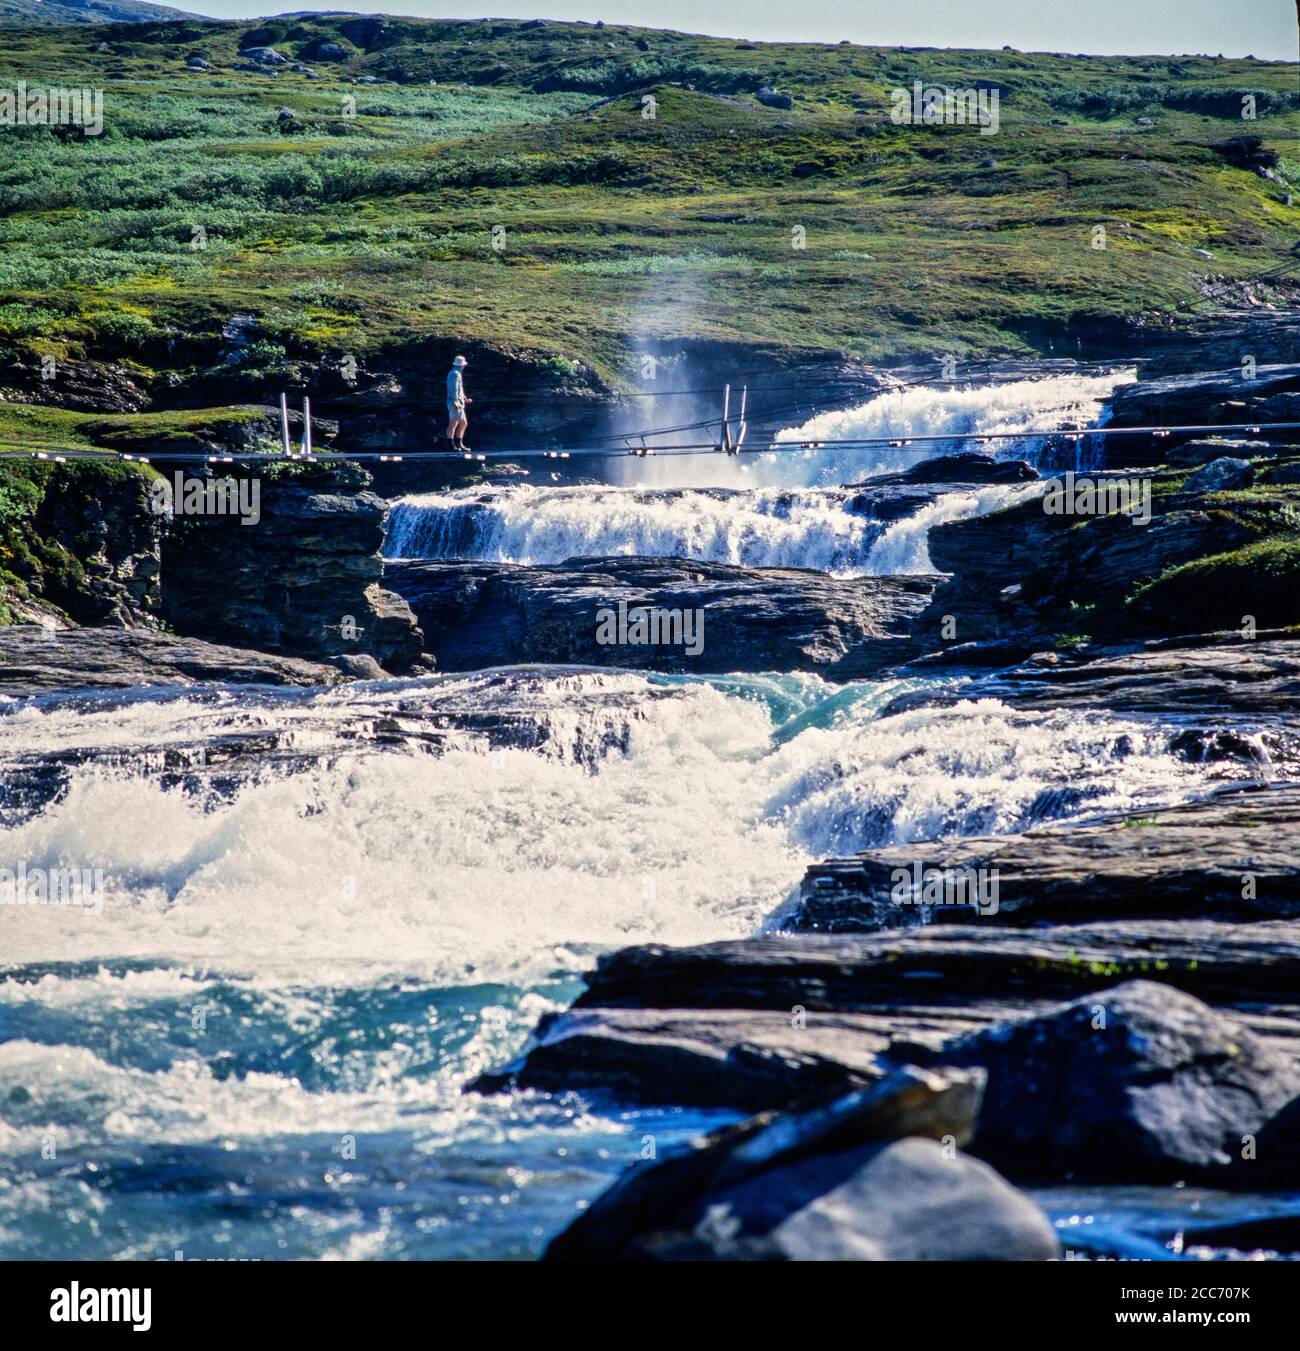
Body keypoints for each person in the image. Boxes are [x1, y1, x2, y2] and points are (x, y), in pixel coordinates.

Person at [446, 354, 471, 451]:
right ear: (462, 365)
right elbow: (453, 390)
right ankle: (450, 444)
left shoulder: (457, 373)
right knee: (453, 424)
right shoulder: (455, 374)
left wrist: (464, 398)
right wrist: (456, 402)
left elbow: (459, 389)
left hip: (460, 403)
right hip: (455, 404)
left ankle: (459, 443)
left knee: (463, 423)